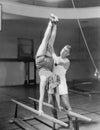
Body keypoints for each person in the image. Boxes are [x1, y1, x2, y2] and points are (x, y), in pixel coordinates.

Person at [35, 14, 58, 115]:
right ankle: (55, 23)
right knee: (50, 41)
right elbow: (56, 93)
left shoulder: (44, 80)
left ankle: (51, 22)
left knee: (45, 40)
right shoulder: (54, 79)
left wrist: (40, 109)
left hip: (40, 61)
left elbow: (41, 96)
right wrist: (58, 104)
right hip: (48, 62)